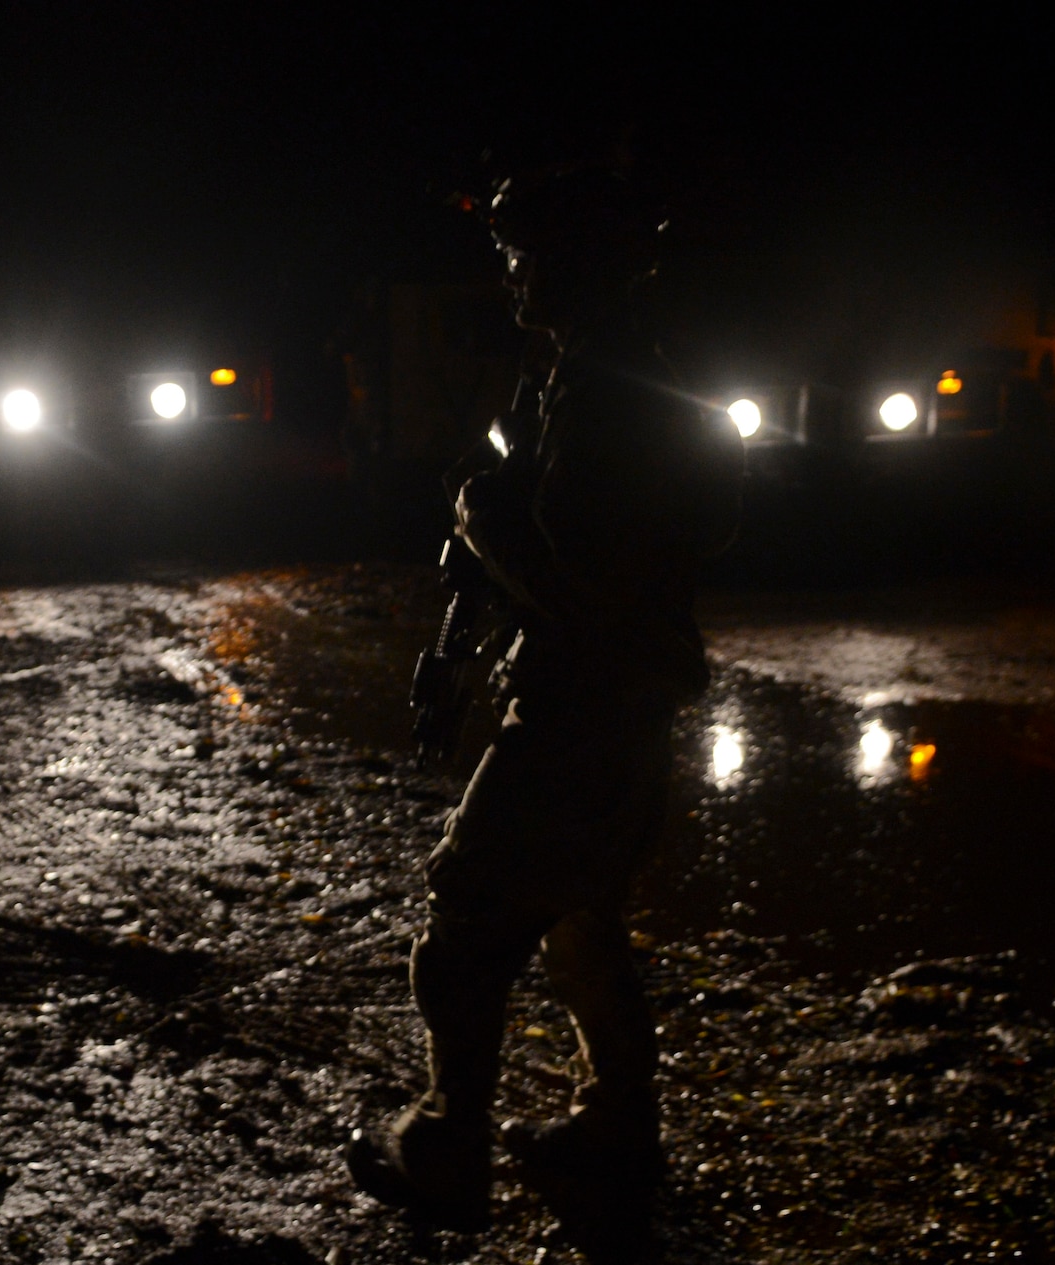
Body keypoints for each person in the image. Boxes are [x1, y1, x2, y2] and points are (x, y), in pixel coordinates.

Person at [347, 165, 744, 1261]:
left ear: (576, 264)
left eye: (525, 258)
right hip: (621, 703)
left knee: (465, 914)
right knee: (581, 914)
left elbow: (582, 583)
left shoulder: (607, 398)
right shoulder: (604, 380)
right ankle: (615, 1129)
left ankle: (447, 1145)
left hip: (581, 707)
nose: (513, 278)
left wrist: (482, 517)